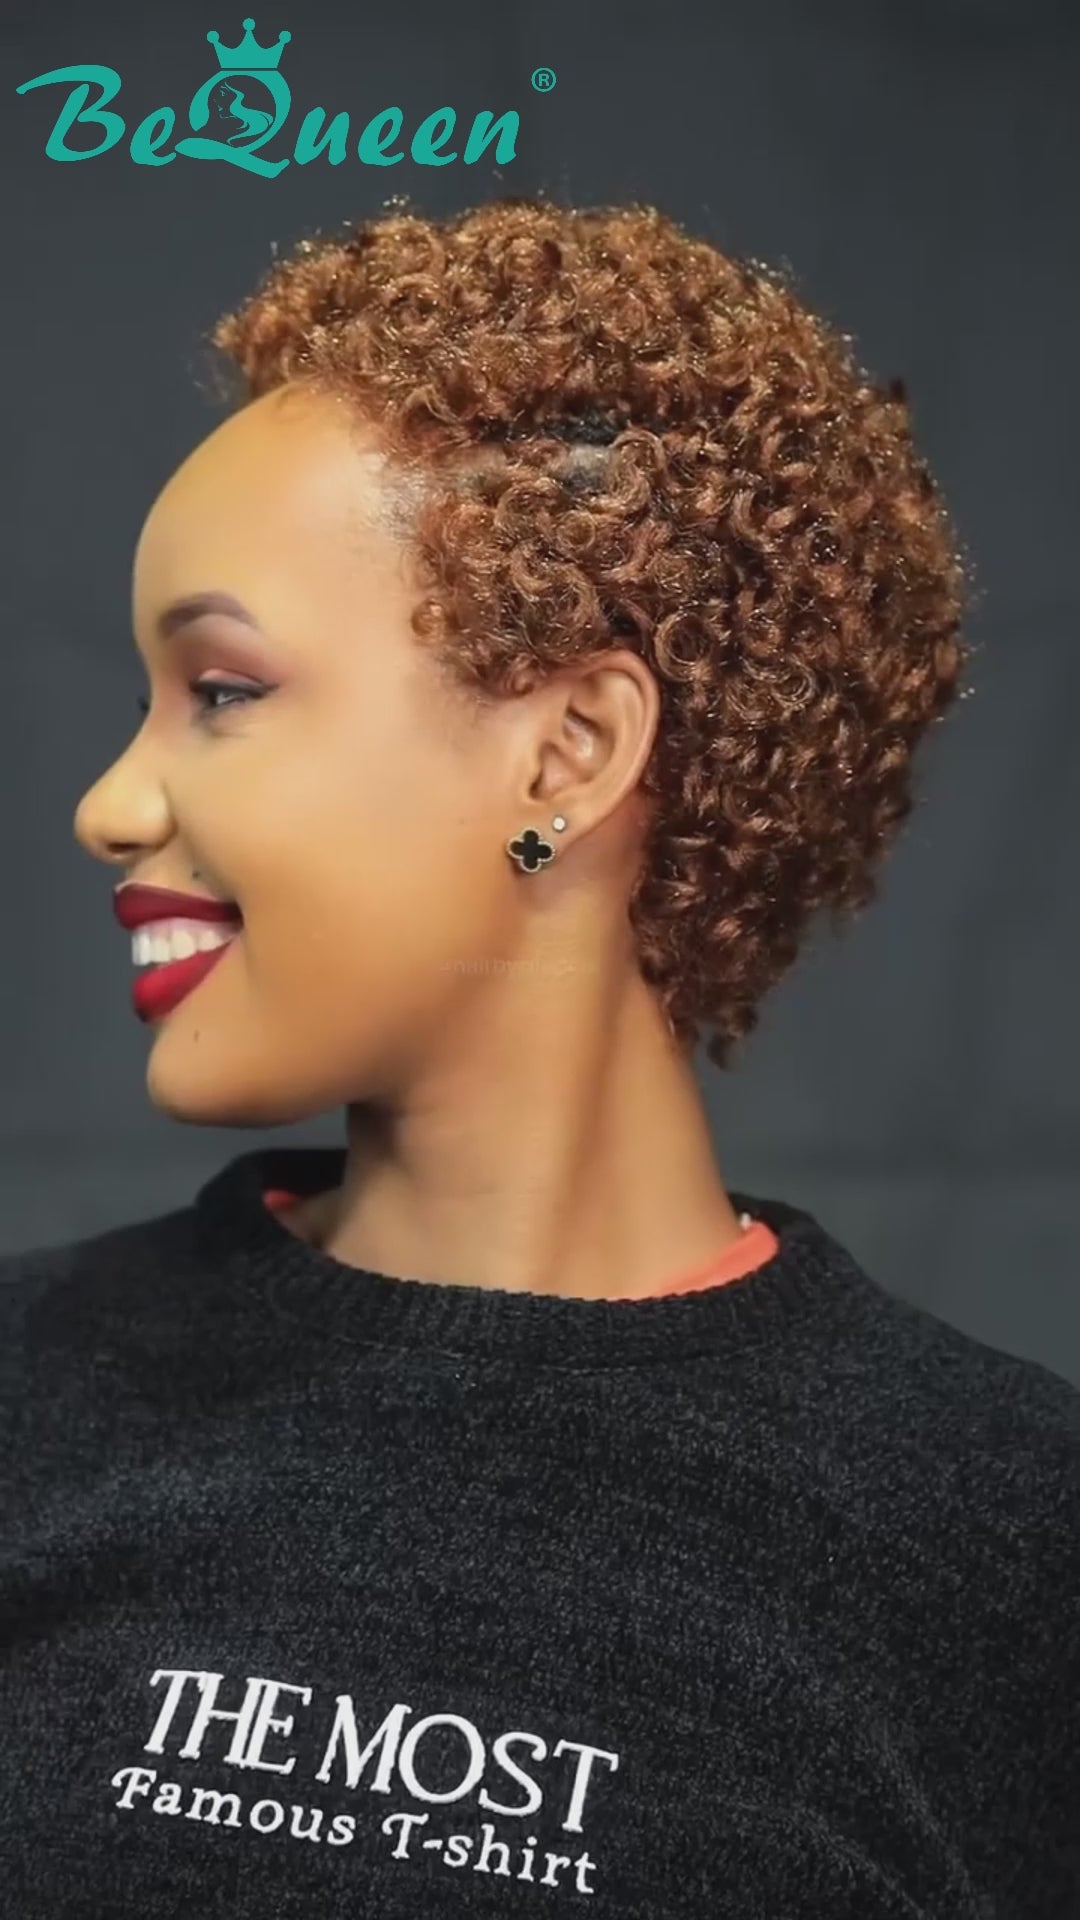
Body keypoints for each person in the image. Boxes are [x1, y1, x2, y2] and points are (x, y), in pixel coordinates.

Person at [2, 196, 1077, 1917]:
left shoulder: (1016, 1542)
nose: (112, 804)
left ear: (569, 752)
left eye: (221, 690)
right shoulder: (30, 1385)